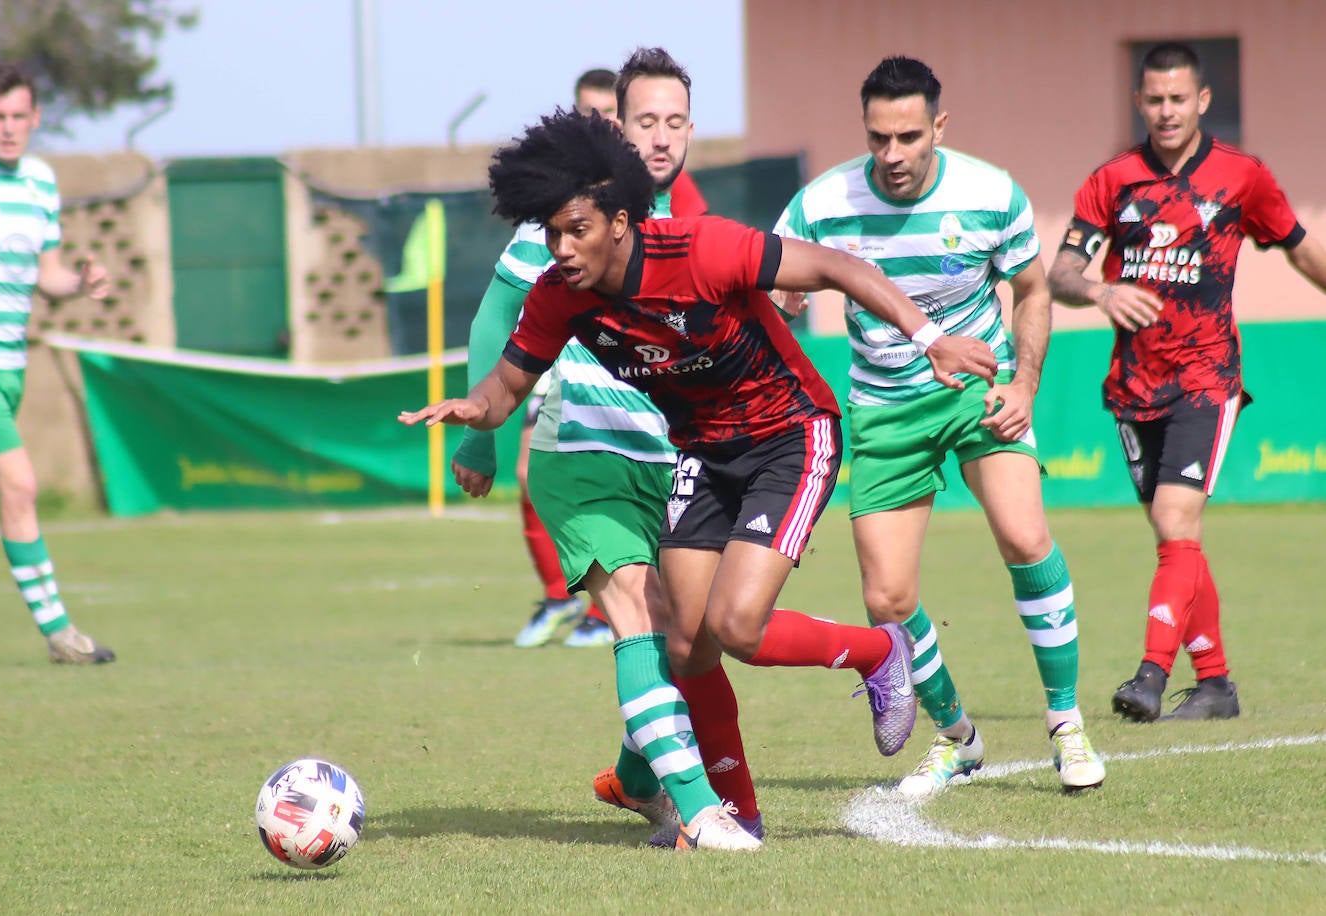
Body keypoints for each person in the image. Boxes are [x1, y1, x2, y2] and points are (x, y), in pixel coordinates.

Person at [400, 100, 1000, 829]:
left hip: (791, 435)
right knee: (687, 644)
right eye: (552, 232)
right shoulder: (561, 300)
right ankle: (737, 818)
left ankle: (878, 652)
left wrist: (930, 335)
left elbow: (838, 266)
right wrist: (475, 411)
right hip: (705, 453)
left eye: (577, 230)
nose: (561, 247)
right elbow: (506, 387)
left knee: (739, 627)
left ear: (619, 221)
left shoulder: (703, 250)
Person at [448, 49, 760, 850]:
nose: (658, 138)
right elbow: (497, 320)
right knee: (638, 610)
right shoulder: (566, 220)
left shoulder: (692, 227)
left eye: (674, 122)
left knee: (695, 634)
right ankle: (698, 812)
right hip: (582, 450)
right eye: (643, 121)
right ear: (616, 126)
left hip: (677, 456)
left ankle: (637, 773)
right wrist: (484, 442)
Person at [773, 56, 1104, 796]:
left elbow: (1032, 289)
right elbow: (777, 293)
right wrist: (781, 309)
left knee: (1024, 536)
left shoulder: (991, 193)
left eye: (909, 136)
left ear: (938, 128)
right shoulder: (822, 203)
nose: (892, 154)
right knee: (886, 599)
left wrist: (1023, 382)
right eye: (878, 137)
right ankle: (957, 737)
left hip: (980, 390)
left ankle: (1065, 723)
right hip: (884, 408)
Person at [1048, 41, 1326, 722]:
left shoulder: (1242, 176)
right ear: (1139, 102)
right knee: (1175, 538)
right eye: (1155, 99)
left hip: (1208, 378)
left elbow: (1299, 246)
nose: (1166, 111)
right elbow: (1059, 273)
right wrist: (1100, 291)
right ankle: (1217, 685)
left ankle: (1148, 675)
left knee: (1176, 521)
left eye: (1179, 99)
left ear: (1202, 100)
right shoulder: (1112, 181)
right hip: (1133, 385)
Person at [0, 63, 115, 667]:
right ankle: (59, 633)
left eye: (20, 116)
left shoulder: (41, 183)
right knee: (19, 485)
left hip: (6, 365)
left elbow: (47, 276)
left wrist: (81, 280)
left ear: (36, 118)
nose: (9, 129)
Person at [477, 68, 621, 650]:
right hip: (560, 364)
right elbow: (494, 309)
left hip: (632, 370)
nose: (599, 124)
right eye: (588, 113)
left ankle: (609, 609)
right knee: (529, 476)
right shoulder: (551, 206)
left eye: (609, 113)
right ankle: (565, 598)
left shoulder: (653, 189)